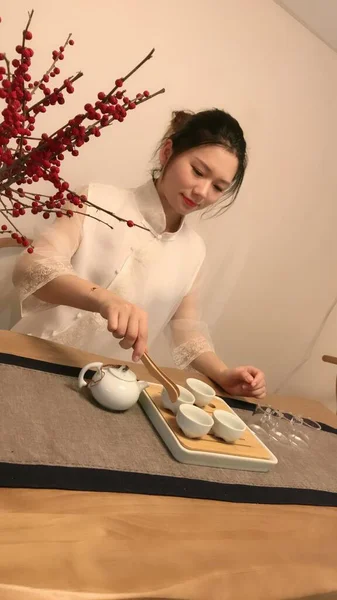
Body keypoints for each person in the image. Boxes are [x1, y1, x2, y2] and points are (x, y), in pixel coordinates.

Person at [11, 108, 266, 399]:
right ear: (167, 152)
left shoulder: (194, 251)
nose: (201, 192)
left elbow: (186, 331)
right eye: (197, 171)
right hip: (32, 359)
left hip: (106, 389)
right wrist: (103, 298)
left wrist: (222, 373)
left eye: (218, 187)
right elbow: (32, 266)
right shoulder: (95, 199)